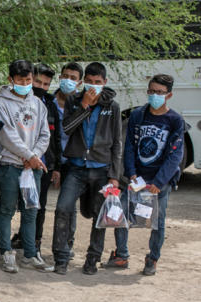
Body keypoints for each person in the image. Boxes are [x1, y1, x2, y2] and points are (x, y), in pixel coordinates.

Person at [106, 74, 184, 276]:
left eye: (160, 92)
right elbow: (130, 145)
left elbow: (175, 155)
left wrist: (159, 181)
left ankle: (153, 258)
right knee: (121, 214)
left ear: (169, 95)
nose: (155, 95)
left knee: (157, 222)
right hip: (137, 179)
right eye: (151, 91)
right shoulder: (138, 115)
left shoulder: (175, 120)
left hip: (159, 182)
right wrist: (131, 173)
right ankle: (121, 255)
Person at [51, 61, 122, 275]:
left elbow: (117, 142)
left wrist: (114, 176)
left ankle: (93, 258)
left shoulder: (113, 106)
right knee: (63, 208)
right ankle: (61, 258)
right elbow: (67, 128)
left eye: (97, 82)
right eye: (89, 82)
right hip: (76, 167)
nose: (93, 86)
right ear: (83, 83)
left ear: (104, 82)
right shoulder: (74, 100)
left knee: (100, 216)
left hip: (101, 169)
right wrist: (84, 105)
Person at [0, 60, 52, 273]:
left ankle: (29, 253)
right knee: (7, 208)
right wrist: (28, 156)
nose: (25, 84)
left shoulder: (37, 103)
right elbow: (7, 135)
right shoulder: (1, 104)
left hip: (32, 168)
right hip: (10, 165)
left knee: (31, 210)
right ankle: (6, 252)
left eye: (28, 80)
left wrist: (35, 157)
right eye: (20, 80)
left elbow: (45, 133)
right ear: (11, 80)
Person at [51, 62, 84, 261]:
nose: (68, 81)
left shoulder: (81, 105)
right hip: (51, 159)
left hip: (72, 161)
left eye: (73, 78)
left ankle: (66, 243)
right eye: (65, 76)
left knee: (68, 206)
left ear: (79, 83)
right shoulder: (48, 103)